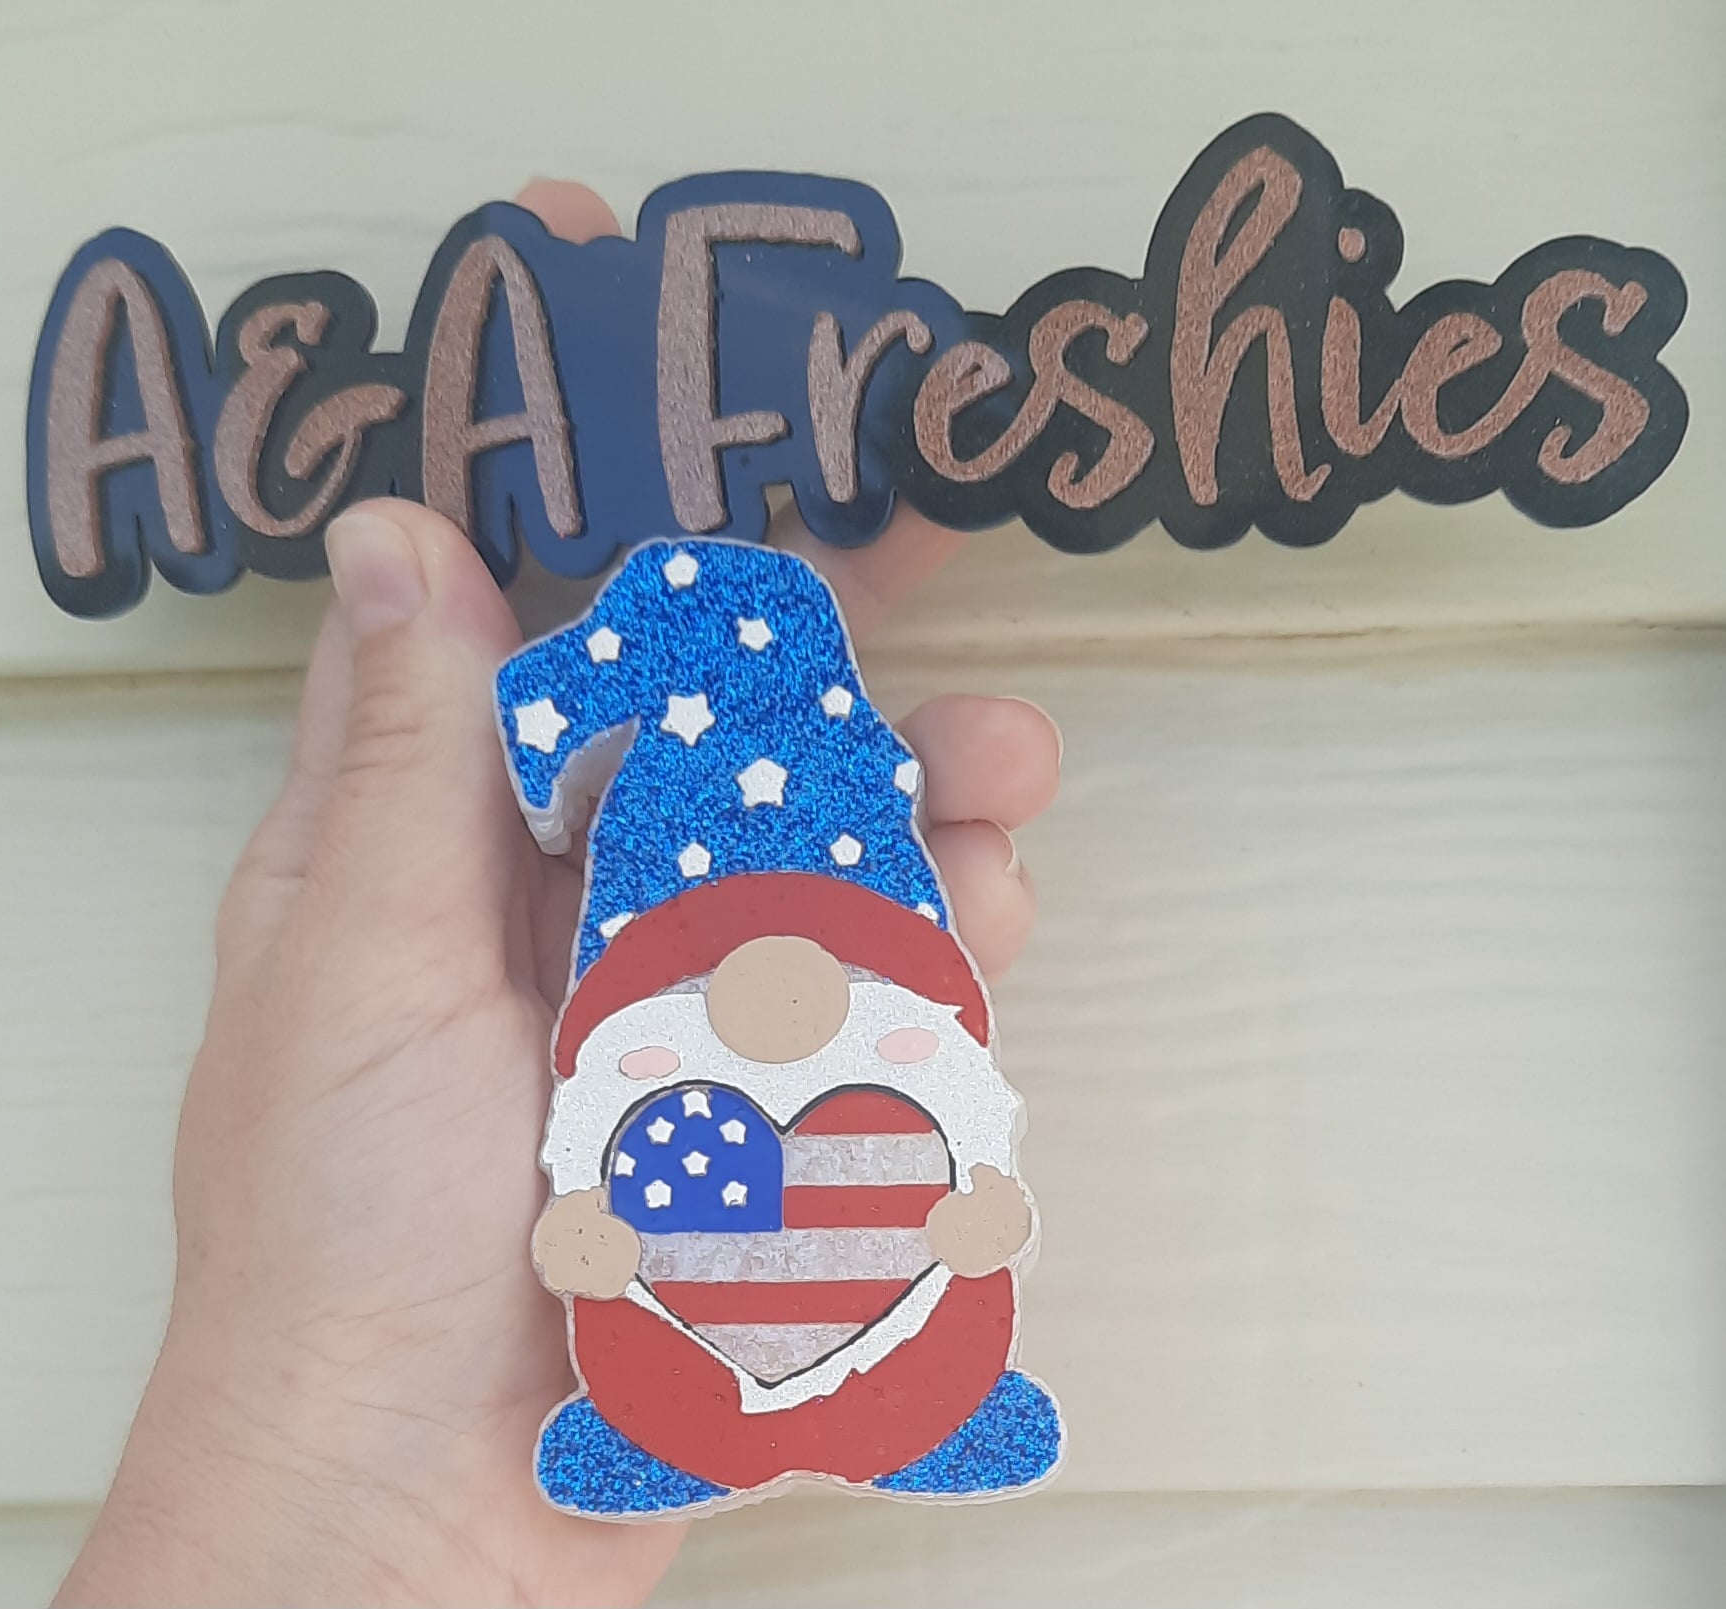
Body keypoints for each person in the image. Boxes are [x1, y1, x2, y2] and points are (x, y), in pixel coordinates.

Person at [53, 180, 1061, 1609]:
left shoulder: (847, 998)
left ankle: (919, 1395)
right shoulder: (653, 1025)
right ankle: (712, 1410)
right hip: (672, 1110)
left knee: (865, 1157)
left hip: (821, 1084)